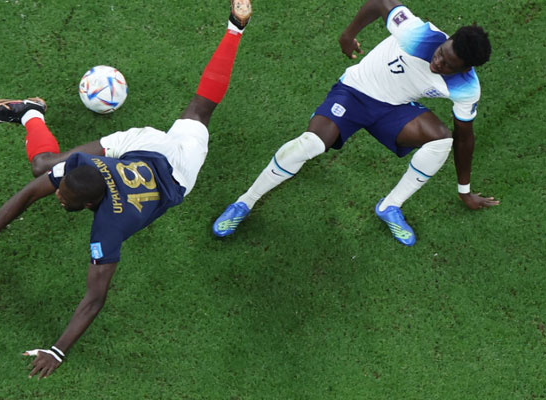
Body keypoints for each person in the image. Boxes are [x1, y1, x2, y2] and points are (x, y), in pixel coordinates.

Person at [0, 0, 252, 379]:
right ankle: (30, 111)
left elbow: (94, 299)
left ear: (92, 203)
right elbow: (28, 193)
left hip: (178, 171)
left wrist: (57, 351)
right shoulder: (85, 169)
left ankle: (236, 28)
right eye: (61, 192)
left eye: (63, 198)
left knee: (201, 111)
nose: (56, 196)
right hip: (146, 144)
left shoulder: (109, 228)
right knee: (44, 165)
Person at [212, 0, 498, 246]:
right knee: (309, 144)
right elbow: (380, 2)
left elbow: (465, 138)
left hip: (393, 109)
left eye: (448, 66)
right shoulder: (417, 34)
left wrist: (465, 192)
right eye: (441, 54)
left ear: (466, 68)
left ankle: (390, 207)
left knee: (442, 139)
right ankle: (244, 202)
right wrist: (348, 35)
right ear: (446, 42)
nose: (438, 63)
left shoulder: (466, 88)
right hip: (354, 92)